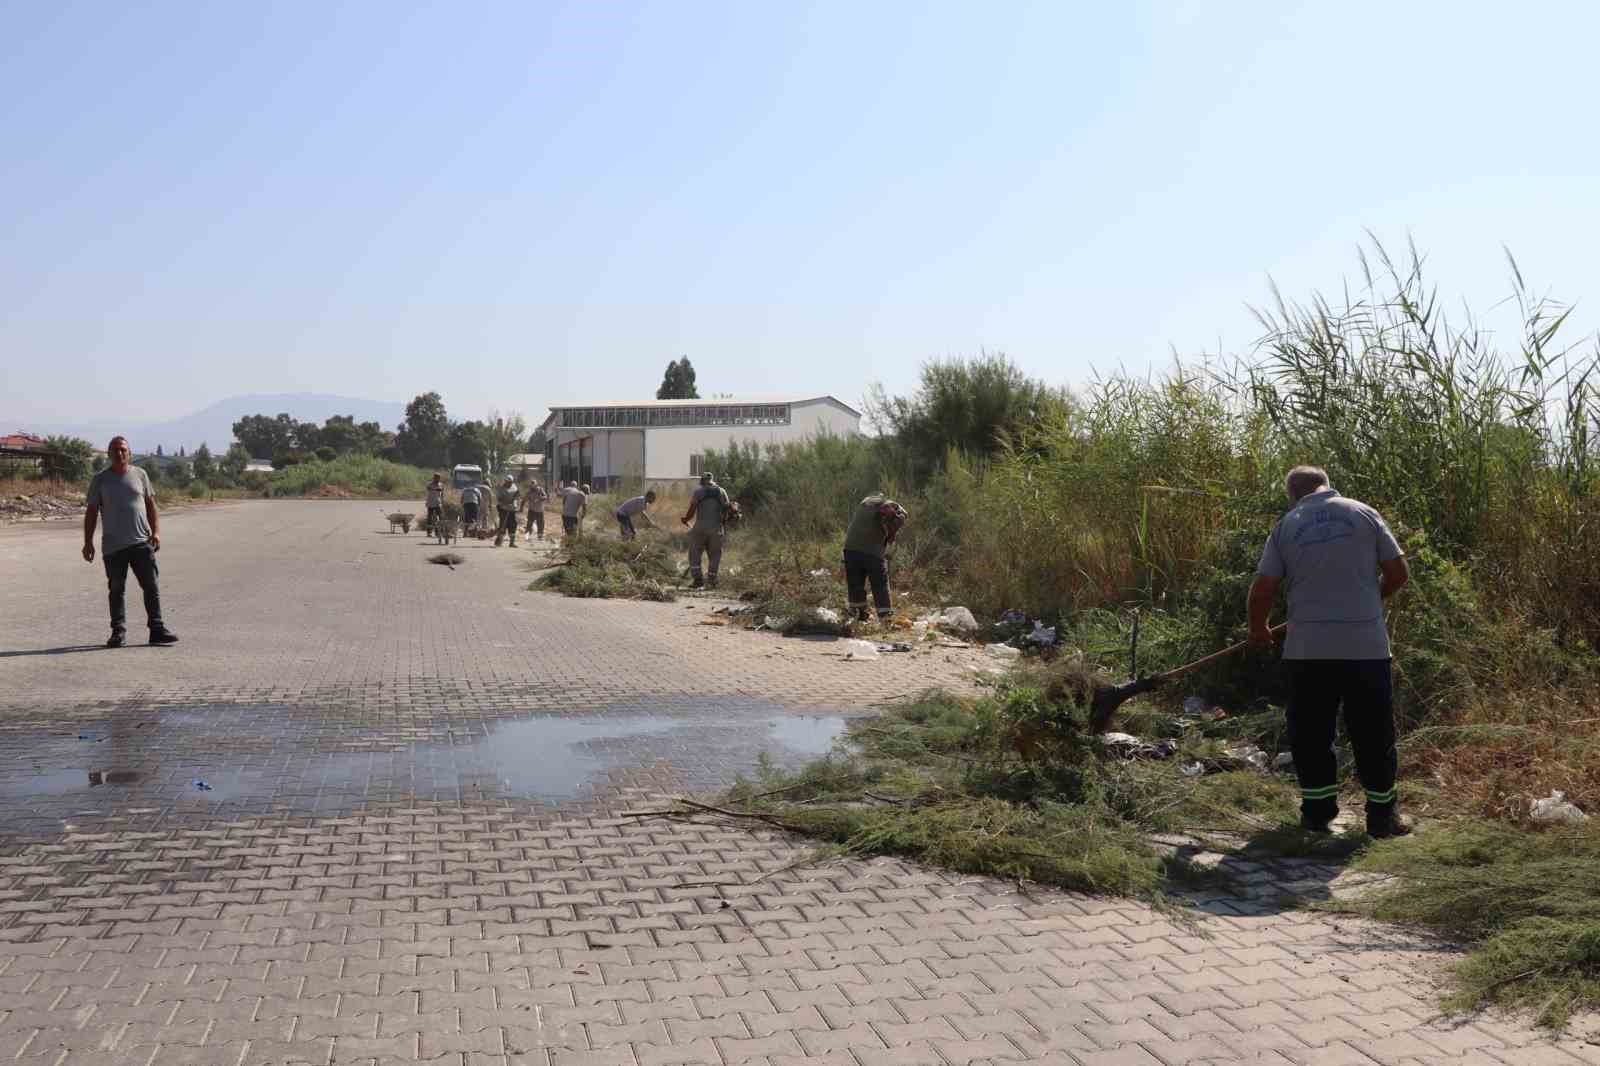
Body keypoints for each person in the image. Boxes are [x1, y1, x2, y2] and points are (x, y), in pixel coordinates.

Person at [1247, 465, 1411, 838]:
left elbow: (1263, 589)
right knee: (1373, 733)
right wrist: (1372, 599)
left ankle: (1318, 815)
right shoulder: (1364, 513)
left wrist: (1259, 630)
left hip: (1308, 650)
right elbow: (1398, 572)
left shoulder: (1288, 525)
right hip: (1365, 648)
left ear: (1293, 494)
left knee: (1312, 734)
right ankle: (1383, 818)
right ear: (1326, 484)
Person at [82, 436, 179, 647]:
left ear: (130, 453)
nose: (119, 453)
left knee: (151, 586)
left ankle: (157, 629)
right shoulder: (100, 480)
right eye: (115, 450)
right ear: (108, 454)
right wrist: (87, 542)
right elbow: (91, 513)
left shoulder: (140, 475)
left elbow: (151, 505)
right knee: (116, 590)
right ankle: (118, 632)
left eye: (123, 450)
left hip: (141, 543)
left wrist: (157, 532)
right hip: (113, 546)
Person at [842, 493, 908, 622]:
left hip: (850, 549)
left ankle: (858, 615)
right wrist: (893, 529)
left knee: (855, 582)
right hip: (872, 552)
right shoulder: (892, 508)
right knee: (880, 583)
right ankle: (885, 618)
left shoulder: (865, 503)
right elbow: (903, 514)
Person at [680, 473, 730, 588]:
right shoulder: (722, 491)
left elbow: (692, 510)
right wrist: (722, 523)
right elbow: (727, 509)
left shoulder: (699, 492)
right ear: (713, 481)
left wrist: (685, 519)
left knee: (694, 553)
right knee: (715, 555)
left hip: (700, 529)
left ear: (702, 481)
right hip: (716, 529)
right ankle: (711, 581)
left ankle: (698, 581)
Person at [492, 474, 522, 547]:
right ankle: (500, 541)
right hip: (504, 509)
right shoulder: (501, 489)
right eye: (507, 481)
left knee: (513, 525)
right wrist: (506, 502)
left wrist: (516, 499)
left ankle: (512, 543)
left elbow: (517, 496)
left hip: (512, 509)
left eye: (510, 482)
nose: (508, 483)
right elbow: (499, 499)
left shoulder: (514, 487)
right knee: (503, 525)